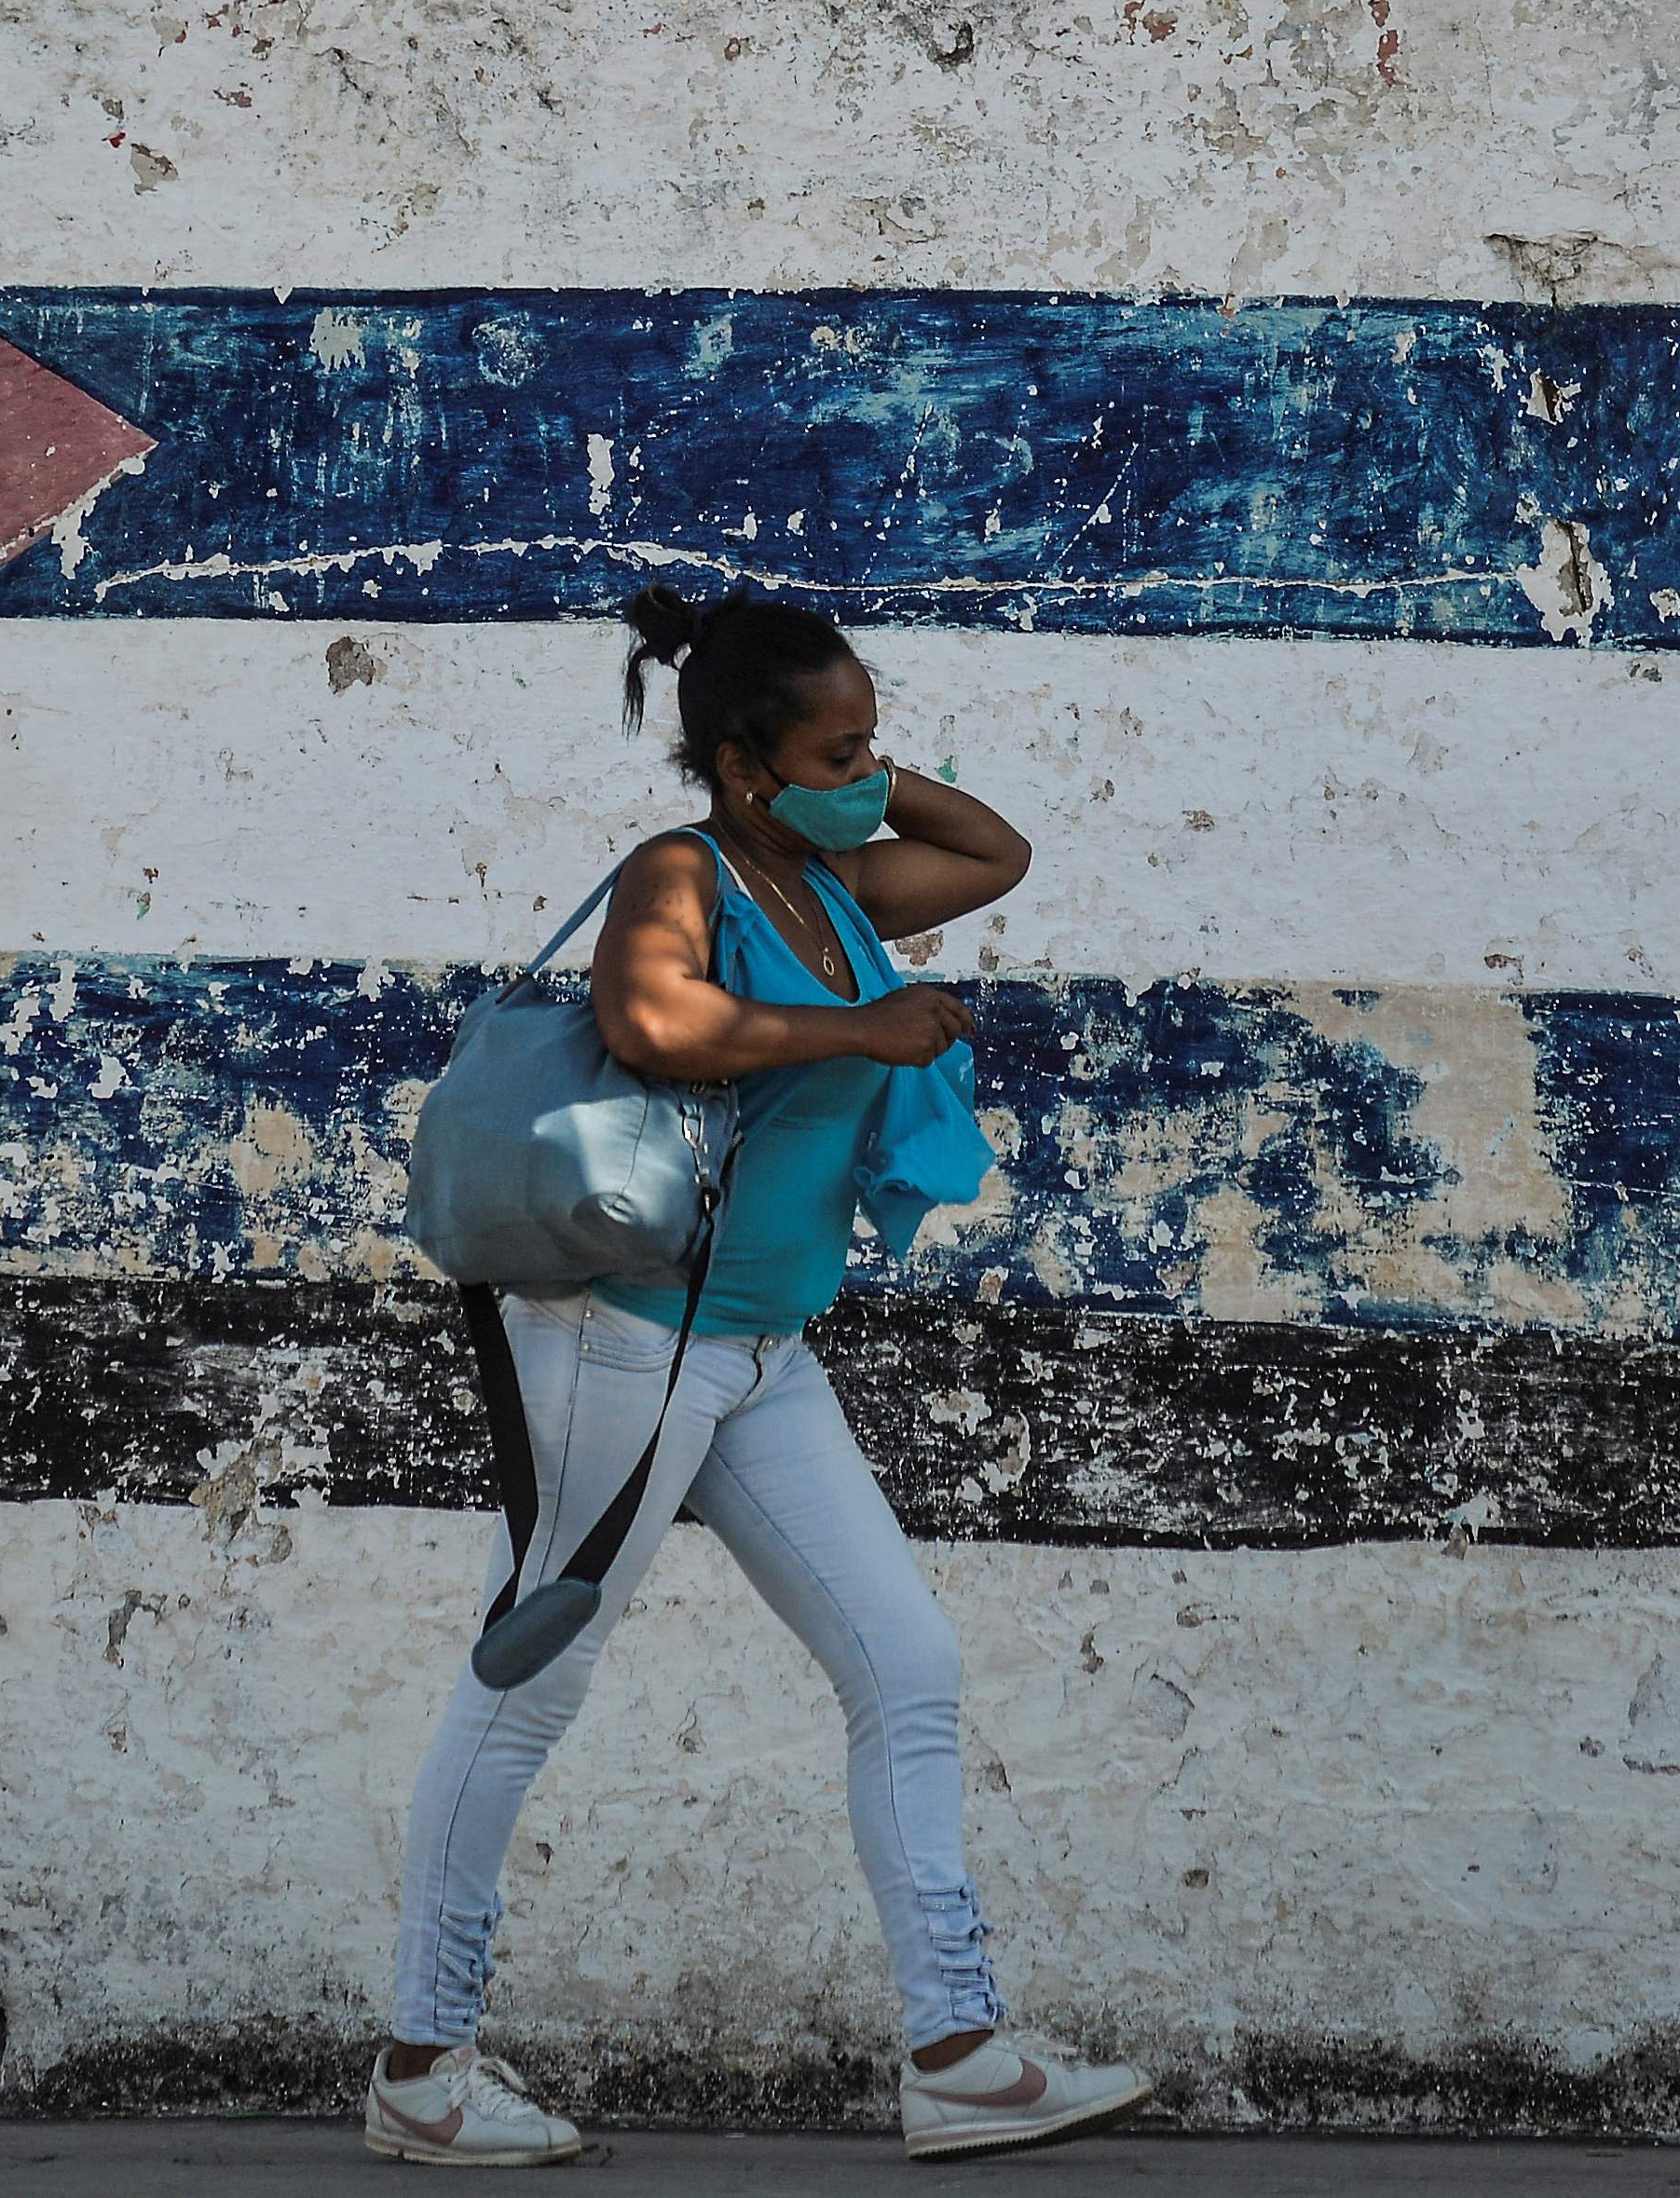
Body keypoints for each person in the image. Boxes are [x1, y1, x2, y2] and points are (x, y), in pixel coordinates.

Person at [367, 585, 1155, 2167]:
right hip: (625, 1340)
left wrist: (852, 766)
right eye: (838, 746)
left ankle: (956, 2051)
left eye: (875, 741)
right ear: (742, 764)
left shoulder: (829, 886)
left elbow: (994, 853)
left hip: (756, 1348)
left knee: (906, 1667)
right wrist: (854, 1029)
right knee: (532, 1680)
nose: (872, 771)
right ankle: (421, 2068)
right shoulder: (688, 871)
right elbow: (654, 1019)